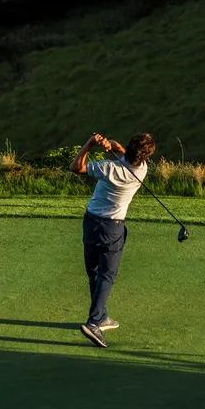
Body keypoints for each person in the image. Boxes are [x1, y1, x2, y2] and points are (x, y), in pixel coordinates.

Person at [72, 130, 156, 348]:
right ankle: (95, 321)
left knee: (96, 272)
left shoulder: (109, 168)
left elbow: (77, 167)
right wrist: (109, 145)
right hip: (112, 227)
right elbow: (120, 149)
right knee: (107, 275)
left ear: (129, 149)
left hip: (91, 222)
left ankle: (99, 317)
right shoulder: (142, 169)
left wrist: (90, 144)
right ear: (144, 157)